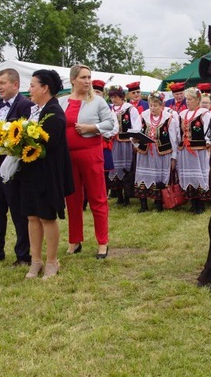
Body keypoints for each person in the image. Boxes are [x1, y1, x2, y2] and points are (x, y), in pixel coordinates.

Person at [15, 69, 75, 280]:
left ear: (44, 88)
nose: (29, 89)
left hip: (47, 174)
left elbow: (47, 145)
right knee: (32, 216)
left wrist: (22, 141)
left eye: (32, 85)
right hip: (30, 173)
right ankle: (36, 260)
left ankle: (52, 261)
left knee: (47, 217)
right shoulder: (35, 111)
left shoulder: (55, 113)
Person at [59, 64, 116, 258]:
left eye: (89, 77)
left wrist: (91, 127)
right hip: (68, 157)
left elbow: (111, 123)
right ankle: (75, 240)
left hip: (91, 154)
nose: (87, 81)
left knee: (97, 198)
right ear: (73, 80)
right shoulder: (62, 102)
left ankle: (102, 242)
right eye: (83, 77)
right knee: (72, 199)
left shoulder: (97, 101)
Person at [0, 69, 34, 266]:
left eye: (3, 83)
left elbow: (25, 135)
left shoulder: (26, 106)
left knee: (17, 210)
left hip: (13, 164)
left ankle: (23, 254)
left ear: (15, 85)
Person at [133, 92, 180, 212]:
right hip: (145, 152)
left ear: (161, 106)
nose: (152, 108)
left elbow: (174, 140)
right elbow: (135, 131)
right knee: (143, 176)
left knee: (160, 177)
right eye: (151, 105)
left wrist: (174, 158)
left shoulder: (169, 119)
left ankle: (159, 204)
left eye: (155, 105)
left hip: (162, 154)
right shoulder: (143, 116)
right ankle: (143, 205)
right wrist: (135, 140)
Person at [177, 87, 211, 214]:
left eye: (190, 99)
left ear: (197, 100)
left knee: (199, 175)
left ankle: (200, 203)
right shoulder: (182, 114)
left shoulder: (203, 113)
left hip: (198, 150)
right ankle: (193, 201)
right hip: (185, 150)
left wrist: (208, 142)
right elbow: (179, 132)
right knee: (189, 175)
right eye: (187, 99)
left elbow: (207, 130)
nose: (187, 102)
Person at [107, 86, 142, 206]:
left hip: (127, 143)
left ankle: (127, 196)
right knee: (114, 169)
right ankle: (119, 197)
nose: (113, 99)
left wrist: (135, 142)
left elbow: (136, 126)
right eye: (111, 97)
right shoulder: (109, 109)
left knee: (126, 168)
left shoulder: (130, 109)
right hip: (114, 143)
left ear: (121, 96)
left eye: (115, 97)